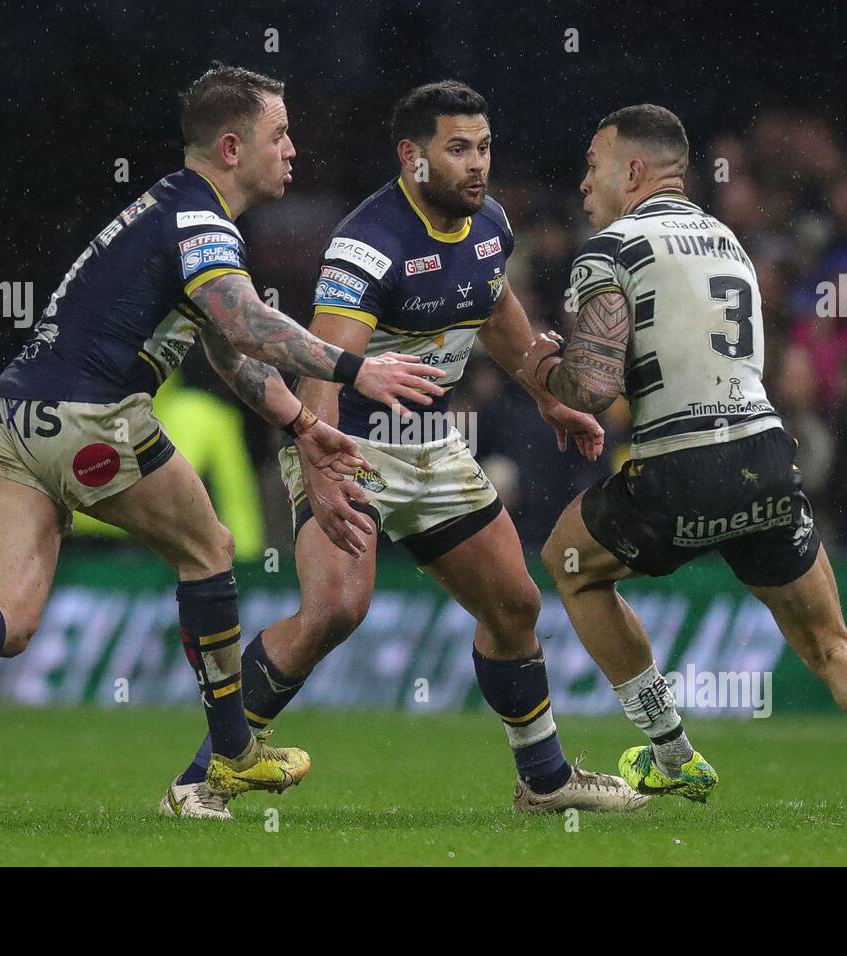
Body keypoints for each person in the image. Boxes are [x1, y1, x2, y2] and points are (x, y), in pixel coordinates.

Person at [0, 63, 444, 823]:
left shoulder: (164, 211)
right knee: (210, 552)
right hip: (89, 417)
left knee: (13, 616)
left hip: (7, 417)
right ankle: (230, 756)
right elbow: (244, 322)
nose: (295, 149)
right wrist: (356, 369)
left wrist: (304, 425)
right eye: (280, 135)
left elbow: (231, 354)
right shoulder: (201, 218)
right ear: (231, 148)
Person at [525, 104, 847, 824]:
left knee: (568, 563)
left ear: (634, 171)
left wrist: (545, 364)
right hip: (766, 457)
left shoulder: (609, 250)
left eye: (593, 168)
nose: (584, 186)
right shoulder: (731, 244)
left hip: (680, 463)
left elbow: (593, 387)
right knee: (830, 642)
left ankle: (671, 751)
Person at [237, 81, 647, 814]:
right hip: (346, 440)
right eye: (457, 149)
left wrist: (547, 394)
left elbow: (494, 308)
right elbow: (325, 365)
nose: (477, 164)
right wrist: (323, 471)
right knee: (336, 608)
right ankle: (211, 770)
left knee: (515, 605)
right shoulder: (368, 242)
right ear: (412, 156)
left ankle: (545, 782)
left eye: (483, 147)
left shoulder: (488, 223)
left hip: (431, 446)